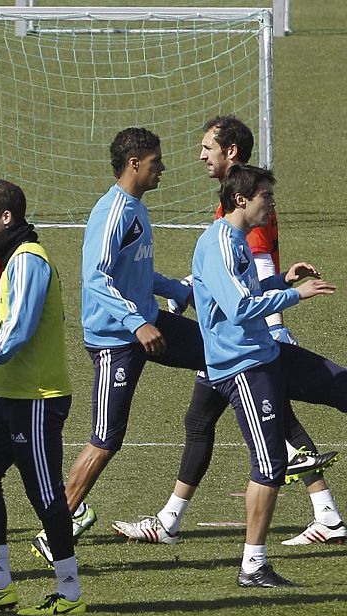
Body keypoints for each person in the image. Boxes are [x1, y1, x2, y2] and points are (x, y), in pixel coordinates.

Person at [113, 116, 341, 546]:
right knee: (204, 420)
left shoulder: (244, 206)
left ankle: (277, 537)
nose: (201, 155)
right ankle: (172, 520)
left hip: (243, 345)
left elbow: (253, 275)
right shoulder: (243, 205)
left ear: (230, 152)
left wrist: (278, 322)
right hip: (233, 343)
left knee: (261, 429)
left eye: (207, 148)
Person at [32, 127, 201, 563]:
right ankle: (55, 531)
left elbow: (139, 274)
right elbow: (96, 278)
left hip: (144, 323)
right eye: (156, 161)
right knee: (105, 439)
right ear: (134, 163)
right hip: (116, 340)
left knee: (221, 352)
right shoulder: (113, 213)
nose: (162, 168)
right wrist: (136, 324)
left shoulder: (137, 210)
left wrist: (179, 291)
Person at [186, 165, 343, 587]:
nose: (272, 205)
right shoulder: (219, 242)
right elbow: (238, 310)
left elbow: (245, 294)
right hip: (243, 366)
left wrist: (280, 278)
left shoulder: (234, 239)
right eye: (267, 198)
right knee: (270, 463)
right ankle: (253, 566)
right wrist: (295, 294)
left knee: (340, 383)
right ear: (242, 200)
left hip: (266, 353)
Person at [0, 180, 86, 616]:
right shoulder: (13, 259)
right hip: (14, 395)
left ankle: (69, 593)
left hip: (37, 399)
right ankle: (0, 583)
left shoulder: (28, 261)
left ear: (6, 217)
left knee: (44, 492)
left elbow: (17, 334)